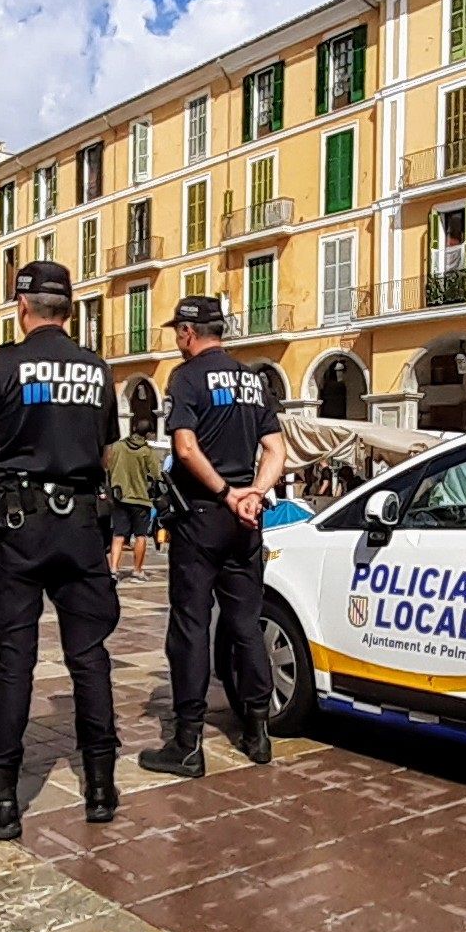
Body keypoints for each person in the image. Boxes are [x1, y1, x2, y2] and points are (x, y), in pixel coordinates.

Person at [0, 261, 122, 839]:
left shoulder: (4, 364)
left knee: (12, 662)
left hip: (20, 528)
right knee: (89, 656)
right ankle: (100, 788)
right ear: (69, 310)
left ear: (23, 307)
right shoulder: (97, 370)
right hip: (82, 528)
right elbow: (109, 454)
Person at [139, 297, 287, 777]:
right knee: (246, 623)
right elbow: (276, 448)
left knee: (190, 625)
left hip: (203, 514)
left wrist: (225, 493)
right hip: (247, 520)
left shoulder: (186, 378)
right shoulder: (253, 379)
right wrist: (255, 495)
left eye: (176, 333)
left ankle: (187, 742)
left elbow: (184, 447)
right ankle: (258, 731)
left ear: (187, 332)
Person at [104, 417, 164, 582]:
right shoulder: (147, 452)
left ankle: (114, 569)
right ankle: (137, 571)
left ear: (134, 427)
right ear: (148, 433)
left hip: (120, 497)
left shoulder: (117, 446)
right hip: (140, 499)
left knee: (118, 535)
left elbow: (108, 466)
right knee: (140, 535)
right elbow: (157, 474)